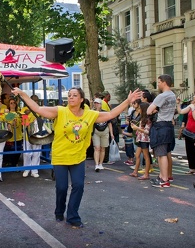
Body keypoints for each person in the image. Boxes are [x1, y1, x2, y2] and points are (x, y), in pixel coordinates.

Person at [11, 86, 142, 228]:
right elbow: (37, 109)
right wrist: (22, 94)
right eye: (69, 95)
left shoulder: (90, 114)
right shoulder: (60, 111)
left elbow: (111, 114)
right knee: (61, 188)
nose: (71, 97)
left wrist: (128, 101)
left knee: (78, 186)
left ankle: (73, 216)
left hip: (78, 157)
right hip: (60, 156)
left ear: (81, 99)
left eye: (74, 95)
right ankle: (59, 210)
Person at [148, 74, 176, 188]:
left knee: (161, 154)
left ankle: (164, 179)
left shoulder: (162, 96)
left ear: (164, 82)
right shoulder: (173, 95)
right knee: (164, 152)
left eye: (159, 82)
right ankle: (162, 176)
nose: (158, 84)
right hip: (169, 124)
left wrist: (155, 110)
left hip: (160, 125)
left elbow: (149, 110)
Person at [176, 91, 195, 175]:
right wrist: (178, 104)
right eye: (194, 95)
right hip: (188, 130)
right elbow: (181, 112)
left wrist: (193, 109)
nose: (194, 97)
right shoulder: (192, 106)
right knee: (189, 150)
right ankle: (191, 167)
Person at [129, 102, 152, 180]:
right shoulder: (142, 118)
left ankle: (146, 174)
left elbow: (147, 131)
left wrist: (137, 128)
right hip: (140, 139)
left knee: (146, 156)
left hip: (144, 140)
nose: (138, 110)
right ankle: (135, 172)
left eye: (140, 109)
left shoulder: (147, 120)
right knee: (137, 155)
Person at [22, 95, 42, 178]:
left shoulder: (39, 109)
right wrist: (28, 114)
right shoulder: (24, 110)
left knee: (36, 153)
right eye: (34, 100)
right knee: (27, 153)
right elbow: (24, 123)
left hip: (37, 134)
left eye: (36, 100)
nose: (35, 102)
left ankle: (34, 170)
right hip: (28, 135)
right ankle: (27, 169)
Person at [92, 98, 113, 171]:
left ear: (101, 104)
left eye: (97, 103)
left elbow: (109, 123)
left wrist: (111, 133)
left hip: (105, 131)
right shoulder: (92, 112)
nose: (96, 104)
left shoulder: (105, 113)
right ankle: (96, 164)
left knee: (103, 148)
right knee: (97, 148)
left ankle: (101, 163)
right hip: (96, 131)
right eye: (95, 103)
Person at [3, 97, 23, 167]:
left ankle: (16, 164)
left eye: (14, 103)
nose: (13, 104)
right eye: (11, 103)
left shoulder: (20, 113)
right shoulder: (6, 113)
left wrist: (24, 116)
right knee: (10, 153)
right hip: (10, 137)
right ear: (9, 104)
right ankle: (10, 164)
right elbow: (6, 120)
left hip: (18, 136)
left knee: (18, 152)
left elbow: (26, 123)